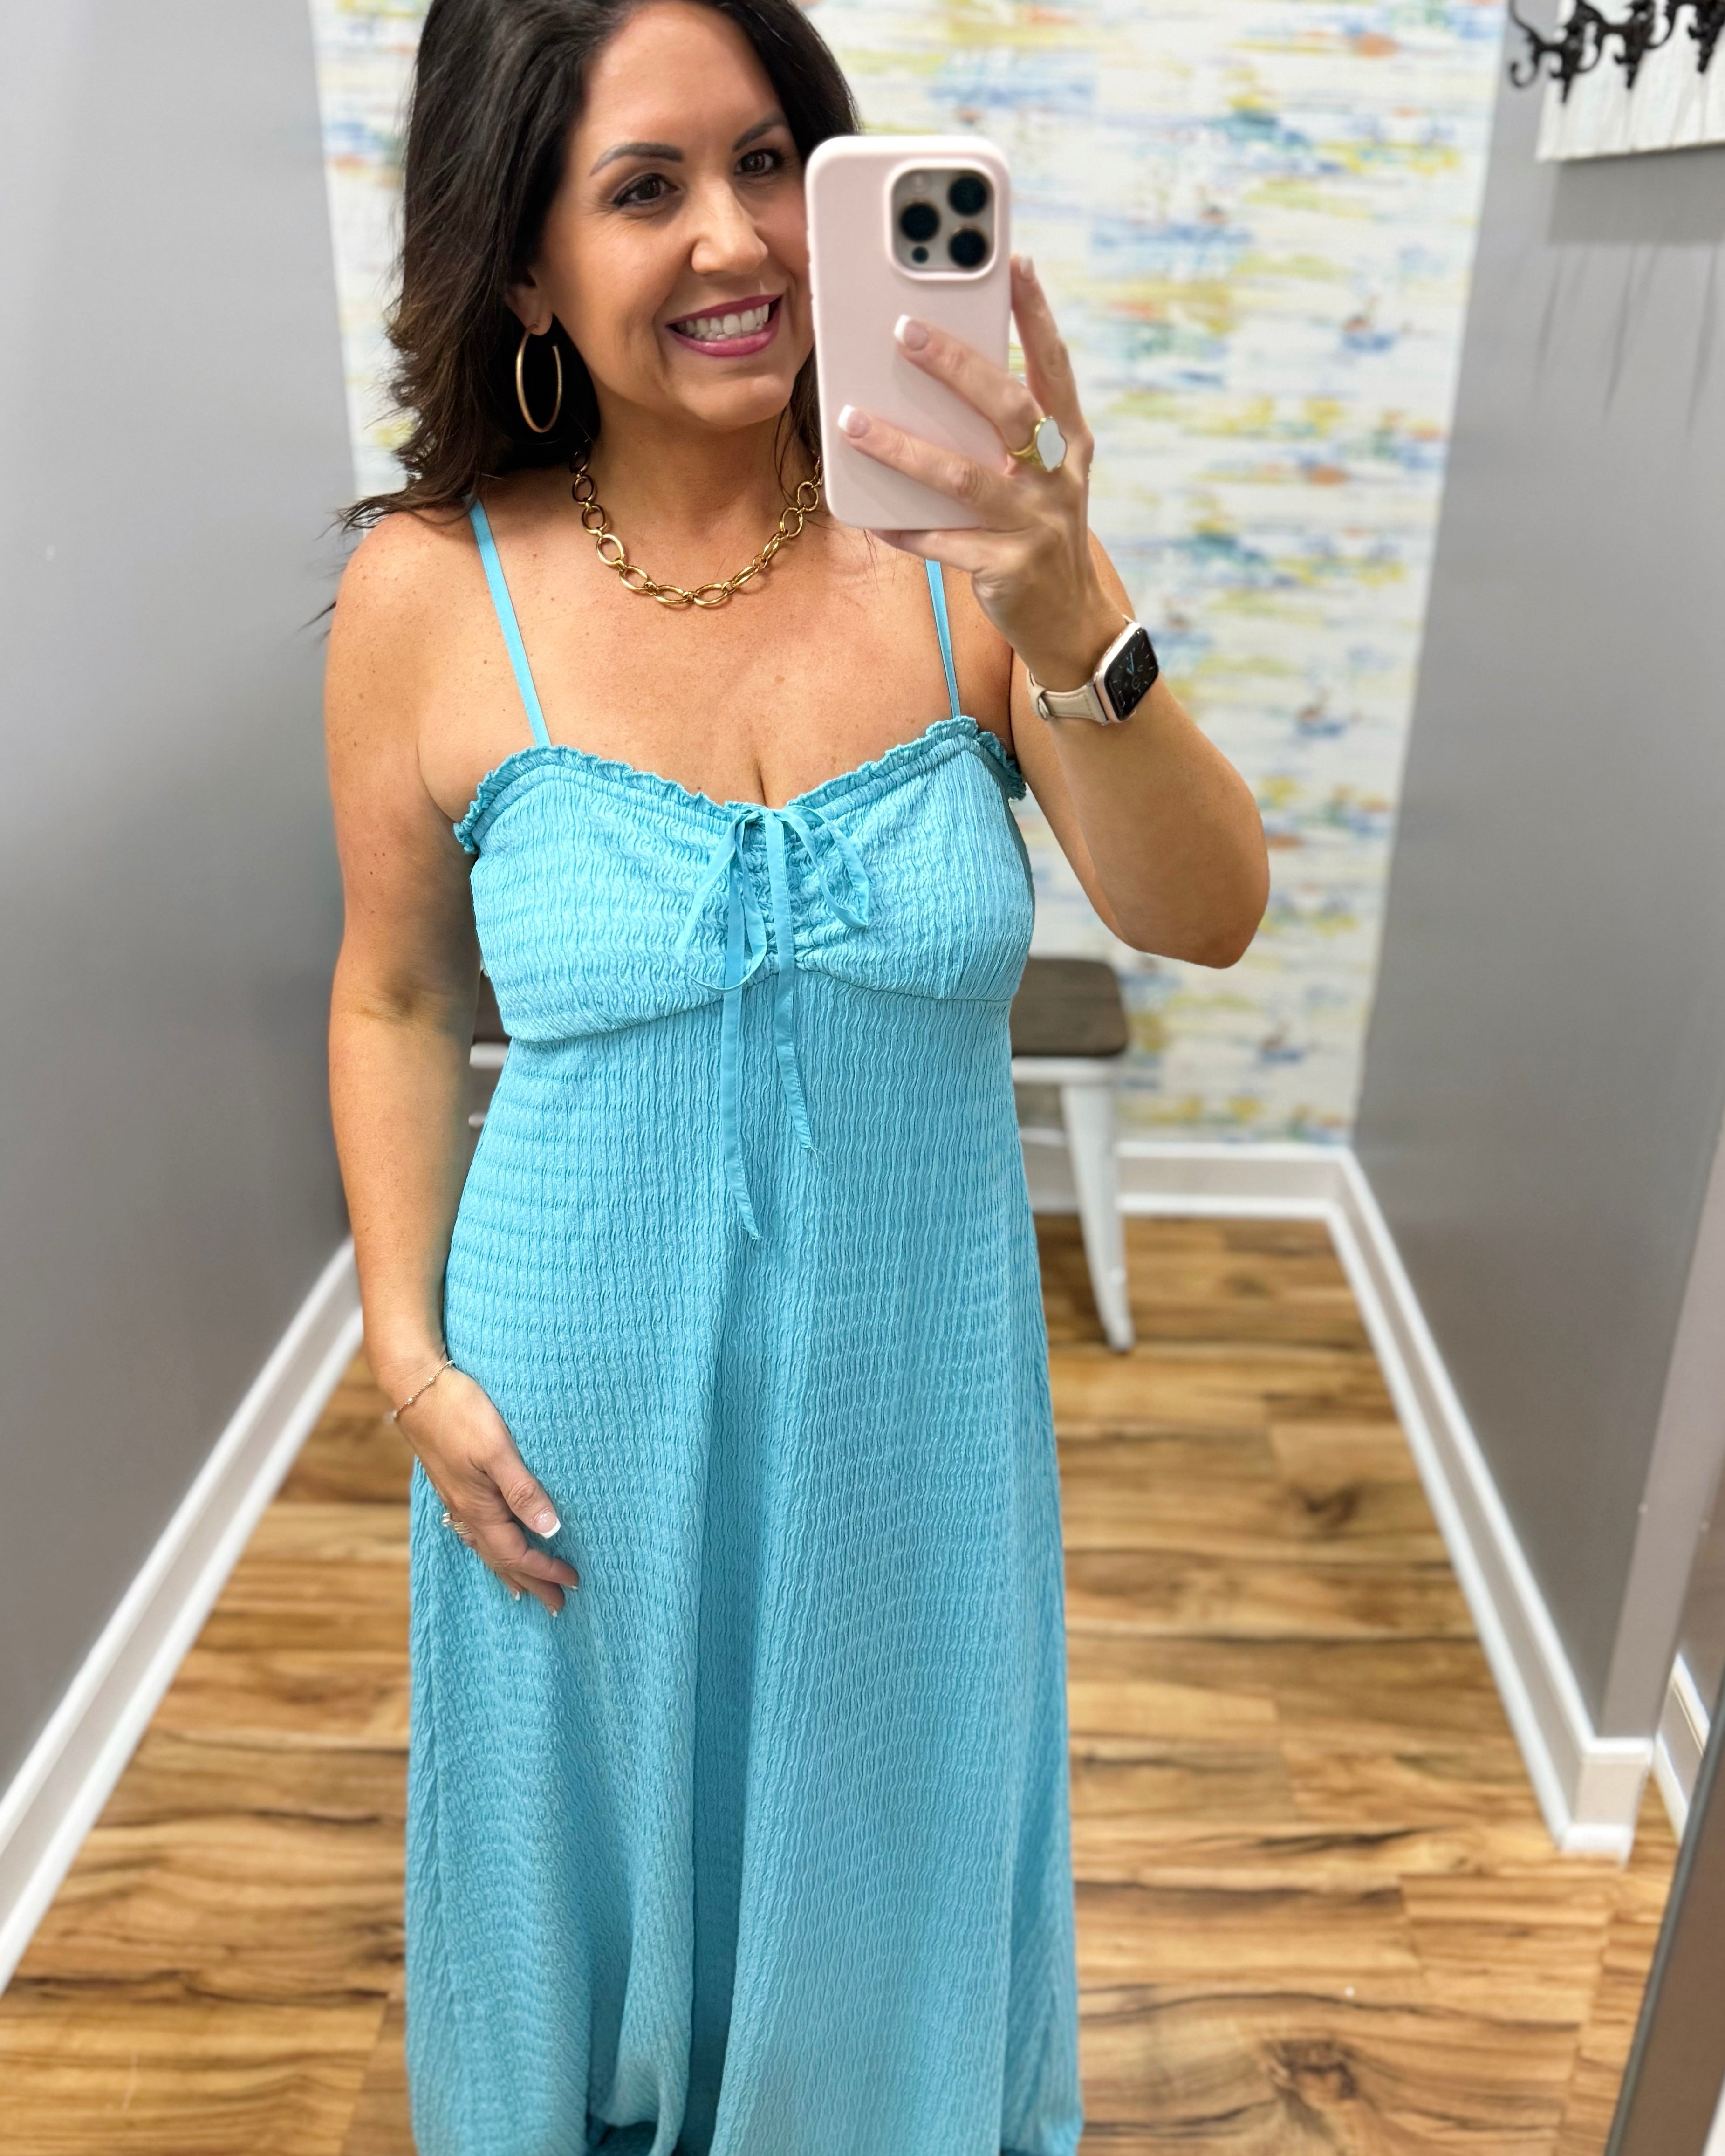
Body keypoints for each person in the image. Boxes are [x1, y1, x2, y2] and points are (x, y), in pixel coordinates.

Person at [323, 0, 1267, 2148]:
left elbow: (1200, 911)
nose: (737, 237)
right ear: (518, 264)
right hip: (565, 1400)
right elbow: (387, 993)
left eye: (770, 162)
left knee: (884, 1874)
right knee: (582, 1916)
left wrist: (1064, 594)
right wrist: (406, 1357)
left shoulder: (964, 558)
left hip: (906, 1409)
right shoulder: (428, 593)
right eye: (643, 189)